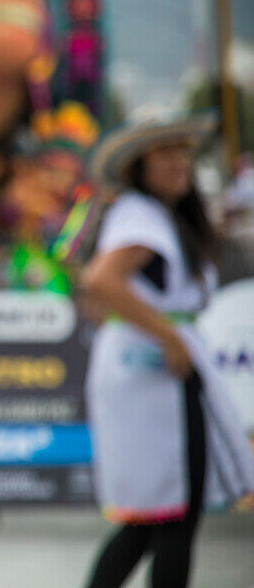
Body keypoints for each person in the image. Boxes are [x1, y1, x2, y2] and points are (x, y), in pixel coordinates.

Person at [80, 107, 254, 588]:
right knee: (171, 512)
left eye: (183, 150)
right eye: (165, 152)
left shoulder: (152, 214)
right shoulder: (140, 214)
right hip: (156, 373)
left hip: (151, 368)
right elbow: (103, 280)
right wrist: (170, 337)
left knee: (157, 515)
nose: (179, 161)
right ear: (140, 165)